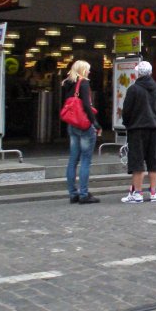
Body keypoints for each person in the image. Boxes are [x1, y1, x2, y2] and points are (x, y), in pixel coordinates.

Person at [121, 61, 156, 203]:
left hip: (137, 129)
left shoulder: (133, 89)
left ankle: (138, 193)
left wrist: (128, 124)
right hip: (155, 128)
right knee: (154, 161)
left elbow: (126, 111)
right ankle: (153, 192)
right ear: (151, 73)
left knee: (137, 162)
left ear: (138, 73)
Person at [61, 60, 101, 204]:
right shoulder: (83, 83)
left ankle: (73, 193)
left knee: (73, 160)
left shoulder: (67, 83)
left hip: (72, 125)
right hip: (84, 125)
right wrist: (95, 123)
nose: (89, 72)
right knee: (85, 160)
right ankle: (84, 194)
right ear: (83, 70)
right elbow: (86, 105)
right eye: (88, 69)